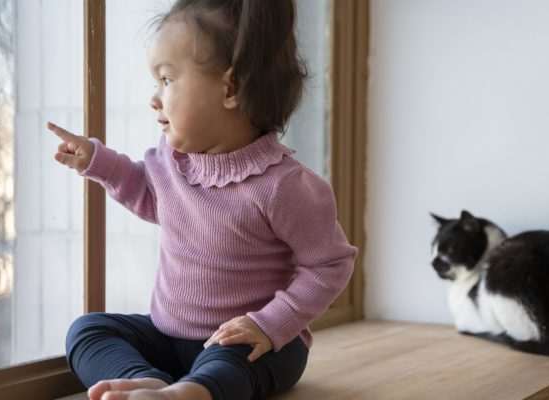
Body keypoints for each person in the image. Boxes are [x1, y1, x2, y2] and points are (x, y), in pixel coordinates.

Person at [49, 1, 356, 399]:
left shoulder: (285, 186)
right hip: (167, 335)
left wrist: (270, 323)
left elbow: (329, 264)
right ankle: (147, 379)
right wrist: (98, 161)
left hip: (250, 342)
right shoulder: (170, 162)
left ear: (230, 89)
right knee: (88, 330)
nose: (154, 98)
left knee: (235, 364)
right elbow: (146, 193)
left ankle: (187, 394)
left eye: (166, 79)